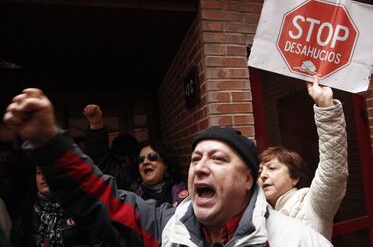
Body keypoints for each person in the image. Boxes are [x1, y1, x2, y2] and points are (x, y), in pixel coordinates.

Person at [3, 88, 333, 246]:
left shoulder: (299, 241)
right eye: (195, 159)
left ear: (249, 179)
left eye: (217, 159)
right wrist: (49, 144)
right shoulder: (166, 229)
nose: (201, 167)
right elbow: (99, 200)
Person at [257, 76, 348, 240]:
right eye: (259, 171)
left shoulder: (312, 205)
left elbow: (333, 171)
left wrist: (326, 108)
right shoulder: (260, 216)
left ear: (295, 178)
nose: (262, 175)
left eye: (272, 168)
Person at [83, 104, 139, 191]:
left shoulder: (166, 186)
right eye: (122, 160)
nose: (146, 162)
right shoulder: (121, 177)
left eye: (130, 158)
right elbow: (100, 160)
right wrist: (96, 126)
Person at [134, 140, 188, 206]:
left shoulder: (182, 190)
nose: (145, 162)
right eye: (140, 159)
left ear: (165, 164)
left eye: (152, 157)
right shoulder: (134, 197)